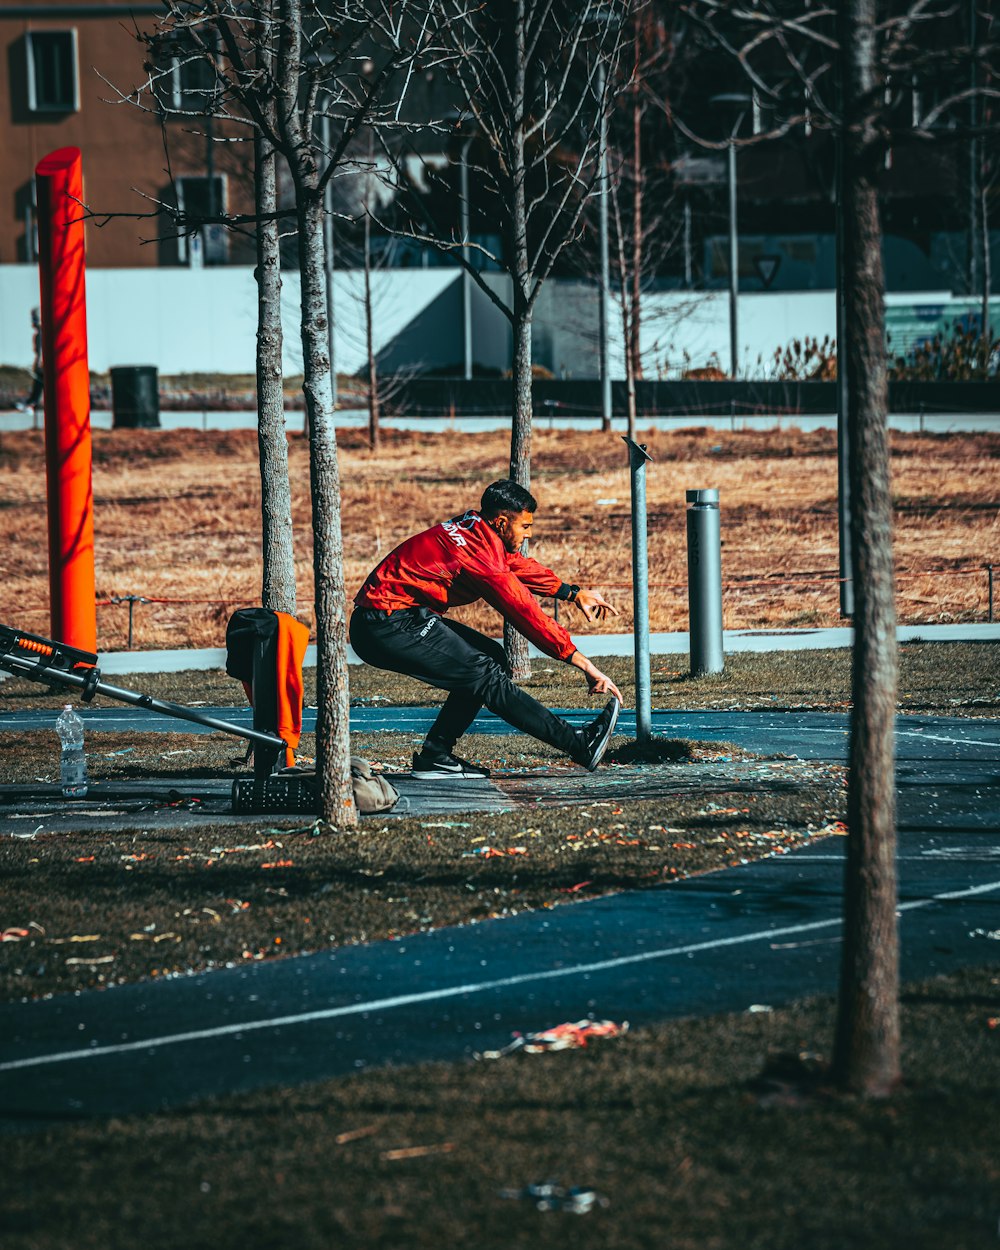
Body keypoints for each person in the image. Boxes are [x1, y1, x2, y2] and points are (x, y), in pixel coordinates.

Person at [350, 479, 624, 779]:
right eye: (525, 527)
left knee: (491, 657)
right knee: (486, 675)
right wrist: (582, 662)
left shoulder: (475, 527)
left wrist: (572, 593)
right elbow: (524, 612)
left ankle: (436, 755)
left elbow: (516, 565)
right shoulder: (480, 555)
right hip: (386, 626)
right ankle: (580, 744)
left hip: (395, 618)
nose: (529, 533)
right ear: (502, 522)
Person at [15, 309, 43, 418]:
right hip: (40, 365)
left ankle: (30, 404)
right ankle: (30, 404)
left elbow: (39, 351)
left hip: (42, 366)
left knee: (38, 388)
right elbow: (37, 352)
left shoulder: (41, 334)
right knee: (37, 388)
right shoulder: (37, 335)